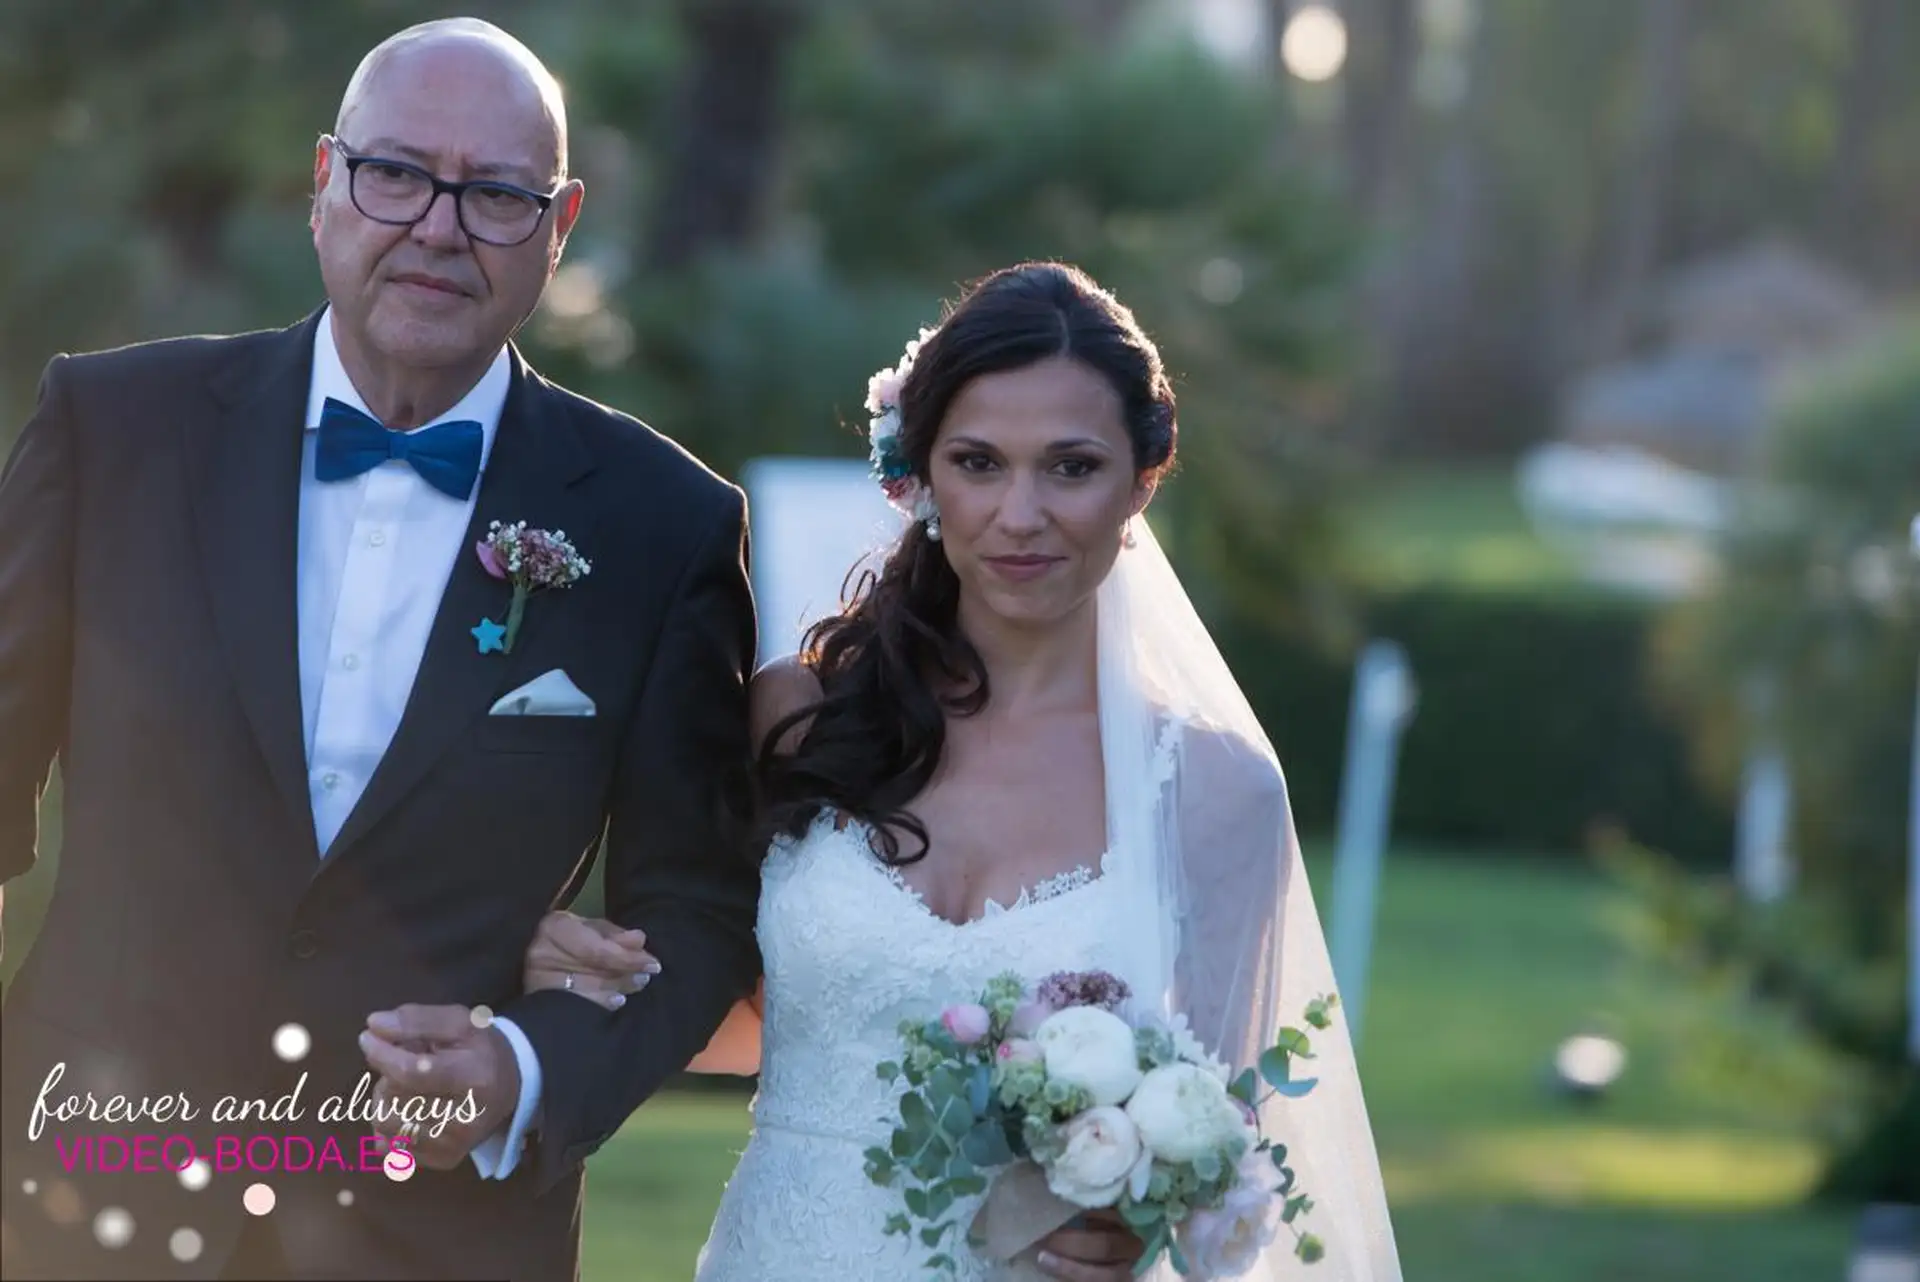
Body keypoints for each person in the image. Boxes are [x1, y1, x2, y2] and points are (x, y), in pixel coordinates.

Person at [0, 19, 762, 1281]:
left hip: (438, 1230)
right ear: (323, 184)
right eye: (396, 172)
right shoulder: (113, 430)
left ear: (559, 223)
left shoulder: (662, 524)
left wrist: (521, 1070)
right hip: (85, 1195)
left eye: (498, 194)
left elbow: (696, 909)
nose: (439, 224)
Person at [528, 262, 1404, 1280]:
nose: (1019, 514)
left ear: (1143, 478)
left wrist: (1134, 1218)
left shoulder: (1214, 790)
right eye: (980, 462)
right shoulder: (799, 715)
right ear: (920, 473)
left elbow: (1221, 1136)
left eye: (1070, 467)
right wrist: (594, 980)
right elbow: (761, 1024)